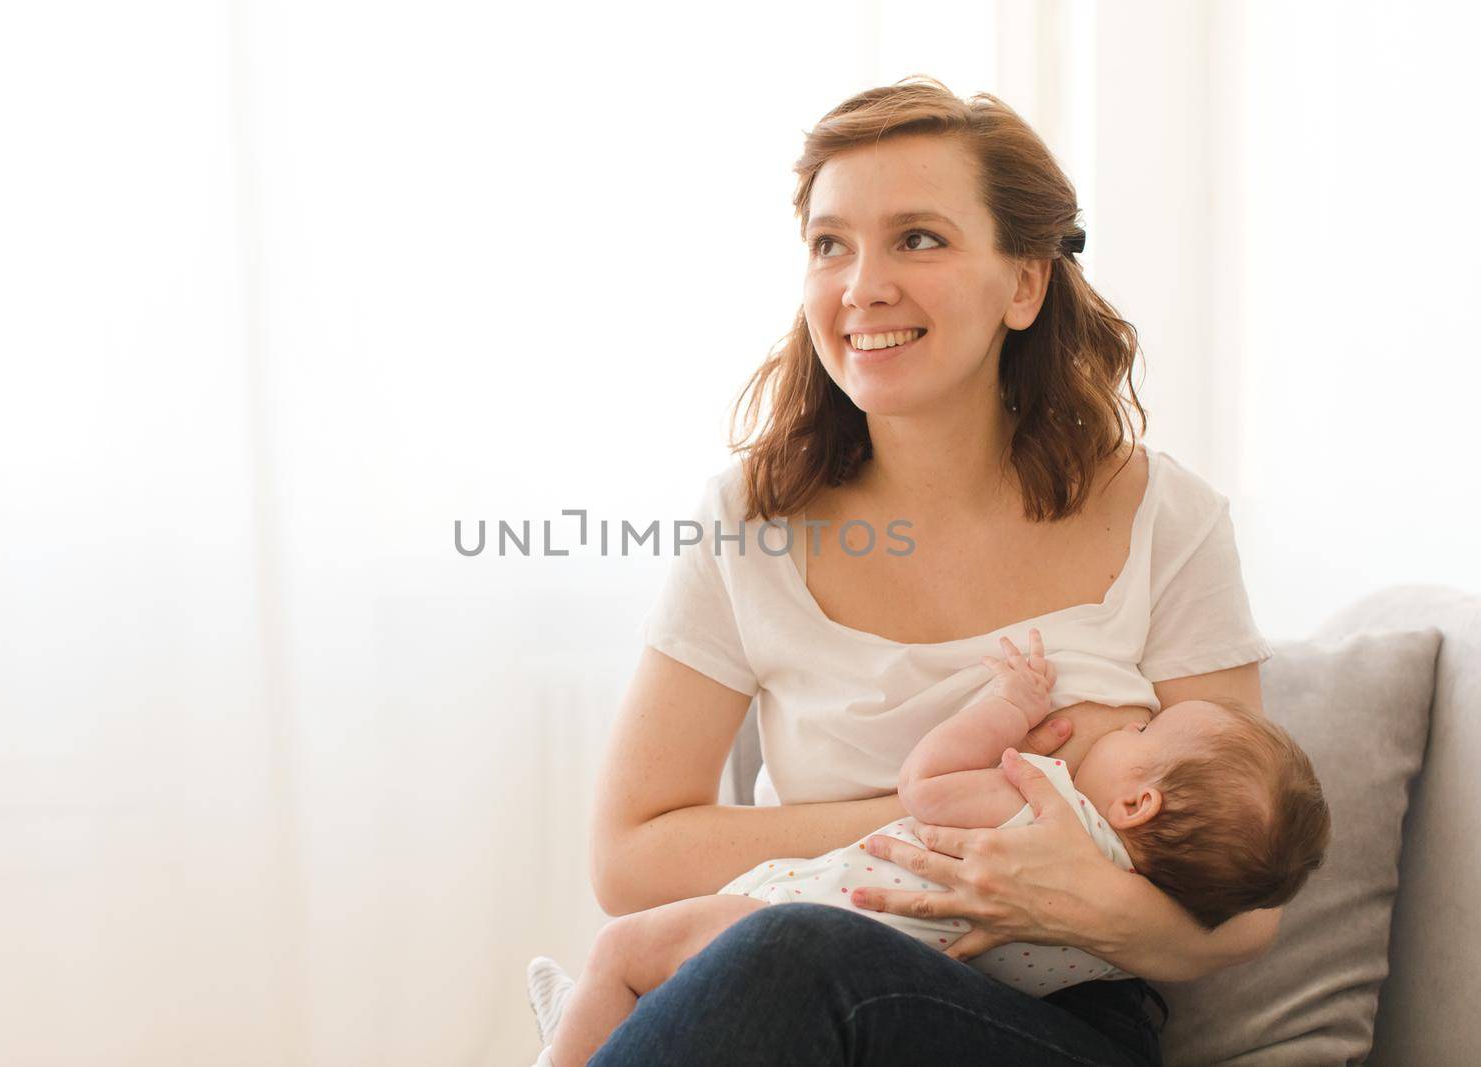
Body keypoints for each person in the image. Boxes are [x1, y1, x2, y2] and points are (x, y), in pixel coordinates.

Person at [578, 75, 1282, 1066]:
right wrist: (939, 816)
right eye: (830, 243)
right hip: (799, 993)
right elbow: (630, 853)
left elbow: (1250, 912)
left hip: (1056, 1026)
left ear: (1025, 283)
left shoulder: (1165, 517)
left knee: (789, 947)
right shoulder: (751, 519)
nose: (860, 285)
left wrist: (1068, 893)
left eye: (917, 237)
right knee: (787, 946)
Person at [526, 633, 1329, 1067]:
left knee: (639, 951)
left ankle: (588, 1031)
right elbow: (629, 857)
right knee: (762, 958)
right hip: (865, 964)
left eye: (1144, 728)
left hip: (821, 923)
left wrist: (1010, 706)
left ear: (1138, 800)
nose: (1129, 723)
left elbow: (931, 784)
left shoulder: (1044, 813)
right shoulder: (1125, 922)